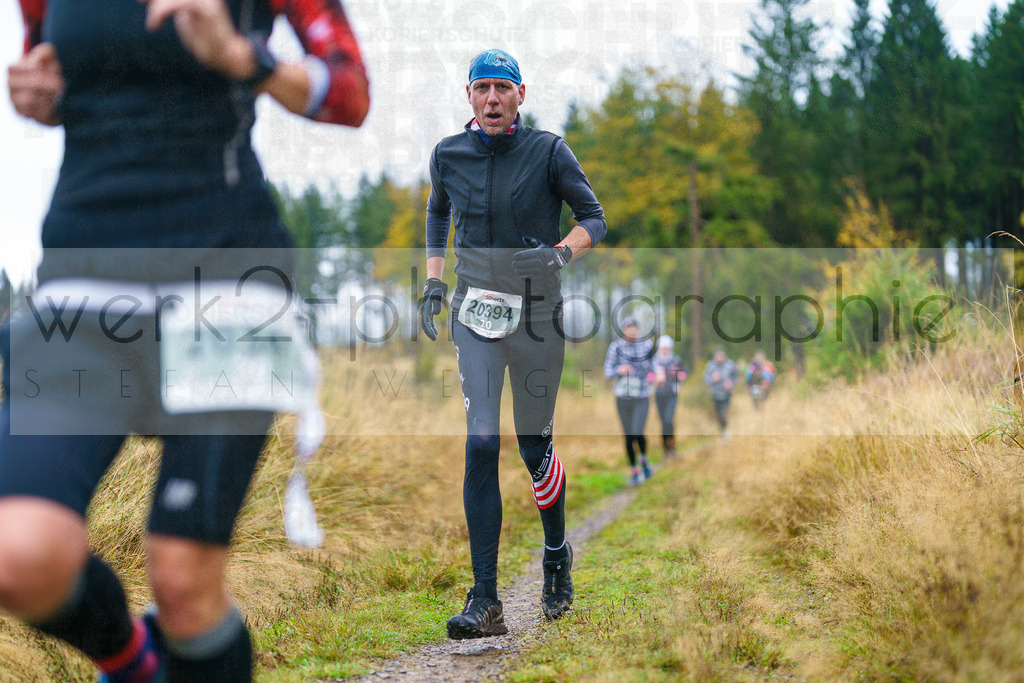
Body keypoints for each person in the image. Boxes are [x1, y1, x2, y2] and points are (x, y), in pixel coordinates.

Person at [2, 1, 368, 681]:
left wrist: (242, 57)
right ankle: (134, 662)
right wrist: (38, 95)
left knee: (183, 582)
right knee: (17, 553)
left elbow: (347, 92)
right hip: (82, 281)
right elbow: (45, 66)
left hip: (226, 283)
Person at [419, 49, 607, 638]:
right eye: (483, 89)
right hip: (474, 313)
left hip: (537, 316)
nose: (493, 98)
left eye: (503, 88)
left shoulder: (549, 150)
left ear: (521, 95)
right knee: (480, 444)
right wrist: (431, 282)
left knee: (532, 446)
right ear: (469, 96)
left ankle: (556, 553)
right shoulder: (447, 154)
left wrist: (559, 252)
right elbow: (436, 213)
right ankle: (485, 599)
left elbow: (593, 218)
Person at [604, 317, 655, 484]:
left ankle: (644, 460)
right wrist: (620, 369)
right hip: (622, 397)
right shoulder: (616, 347)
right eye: (628, 327)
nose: (632, 330)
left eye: (634, 327)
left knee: (637, 431)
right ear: (623, 330)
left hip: (641, 396)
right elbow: (607, 371)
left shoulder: (646, 346)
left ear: (638, 330)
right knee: (627, 436)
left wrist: (655, 376)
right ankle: (634, 469)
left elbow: (654, 368)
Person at [650, 334, 686, 459]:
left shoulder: (676, 360)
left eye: (667, 348)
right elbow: (648, 376)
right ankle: (665, 448)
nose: (665, 350)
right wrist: (655, 378)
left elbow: (684, 373)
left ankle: (672, 447)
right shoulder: (654, 361)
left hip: (672, 394)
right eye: (663, 348)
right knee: (663, 422)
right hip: (659, 394)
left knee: (668, 420)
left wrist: (676, 374)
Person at [703, 347, 737, 439]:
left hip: (727, 393)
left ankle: (726, 431)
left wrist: (731, 382)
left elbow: (735, 376)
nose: (719, 358)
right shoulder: (710, 365)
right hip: (715, 393)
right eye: (717, 356)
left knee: (724, 412)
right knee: (718, 414)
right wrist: (712, 379)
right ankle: (723, 431)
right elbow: (705, 379)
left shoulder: (730, 364)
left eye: (721, 356)